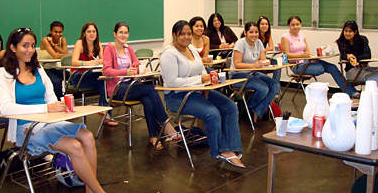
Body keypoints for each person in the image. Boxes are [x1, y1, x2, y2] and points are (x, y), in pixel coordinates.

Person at [0, 27, 132, 193]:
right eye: (24, 45)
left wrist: (59, 108)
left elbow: (51, 98)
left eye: (32, 45)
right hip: (27, 128)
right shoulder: (2, 74)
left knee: (88, 136)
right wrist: (46, 109)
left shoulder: (38, 69)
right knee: (74, 146)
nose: (30, 50)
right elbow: (6, 109)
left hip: (48, 122)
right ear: (13, 48)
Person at [160, 20, 245, 168]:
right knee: (211, 113)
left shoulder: (191, 48)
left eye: (188, 34)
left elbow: (201, 70)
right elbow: (172, 82)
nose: (186, 37)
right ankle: (219, 151)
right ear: (174, 35)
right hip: (177, 96)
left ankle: (230, 148)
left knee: (230, 106)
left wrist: (206, 85)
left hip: (197, 90)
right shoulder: (169, 54)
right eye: (182, 34)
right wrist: (200, 80)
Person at [103, 22, 181, 150]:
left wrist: (142, 70)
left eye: (126, 32)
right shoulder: (109, 49)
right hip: (118, 88)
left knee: (148, 100)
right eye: (121, 32)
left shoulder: (129, 49)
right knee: (150, 89)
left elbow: (137, 64)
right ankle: (166, 125)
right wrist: (125, 72)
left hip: (132, 85)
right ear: (114, 34)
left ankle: (153, 136)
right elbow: (107, 70)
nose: (123, 35)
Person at [281, 16, 359, 98]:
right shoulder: (285, 37)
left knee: (333, 67)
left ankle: (351, 92)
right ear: (288, 26)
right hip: (297, 66)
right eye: (293, 25)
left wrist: (312, 57)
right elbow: (286, 55)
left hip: (307, 62)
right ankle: (349, 91)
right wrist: (300, 55)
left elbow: (308, 52)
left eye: (297, 24)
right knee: (320, 68)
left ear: (300, 25)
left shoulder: (302, 35)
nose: (295, 27)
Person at [229, 22, 280, 124]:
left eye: (256, 32)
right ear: (245, 32)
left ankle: (256, 110)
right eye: (251, 32)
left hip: (252, 73)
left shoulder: (259, 43)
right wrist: (254, 65)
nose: (254, 34)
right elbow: (237, 64)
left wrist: (266, 62)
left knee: (275, 85)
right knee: (263, 88)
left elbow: (263, 58)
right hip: (238, 75)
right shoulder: (240, 43)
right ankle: (251, 110)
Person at [71, 22, 117, 126]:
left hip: (90, 74)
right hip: (77, 76)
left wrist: (98, 61)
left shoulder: (98, 44)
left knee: (105, 79)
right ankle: (105, 110)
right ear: (84, 34)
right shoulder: (79, 43)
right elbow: (73, 61)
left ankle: (104, 110)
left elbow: (104, 59)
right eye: (89, 31)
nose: (92, 34)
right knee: (103, 82)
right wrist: (87, 63)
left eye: (94, 31)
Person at [39, 21, 70, 100]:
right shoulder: (45, 40)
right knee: (57, 81)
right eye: (55, 32)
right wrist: (69, 54)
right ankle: (58, 101)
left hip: (55, 68)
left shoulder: (63, 40)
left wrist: (54, 46)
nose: (58, 34)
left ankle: (69, 99)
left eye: (60, 32)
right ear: (50, 31)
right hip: (44, 69)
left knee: (72, 77)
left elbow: (65, 53)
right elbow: (56, 56)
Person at [257, 16, 281, 83]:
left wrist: (263, 50)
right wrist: (263, 50)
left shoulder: (268, 34)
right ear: (258, 25)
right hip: (255, 58)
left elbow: (271, 47)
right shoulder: (255, 35)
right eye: (262, 24)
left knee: (276, 63)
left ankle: (276, 84)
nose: (264, 26)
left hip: (263, 57)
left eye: (266, 24)